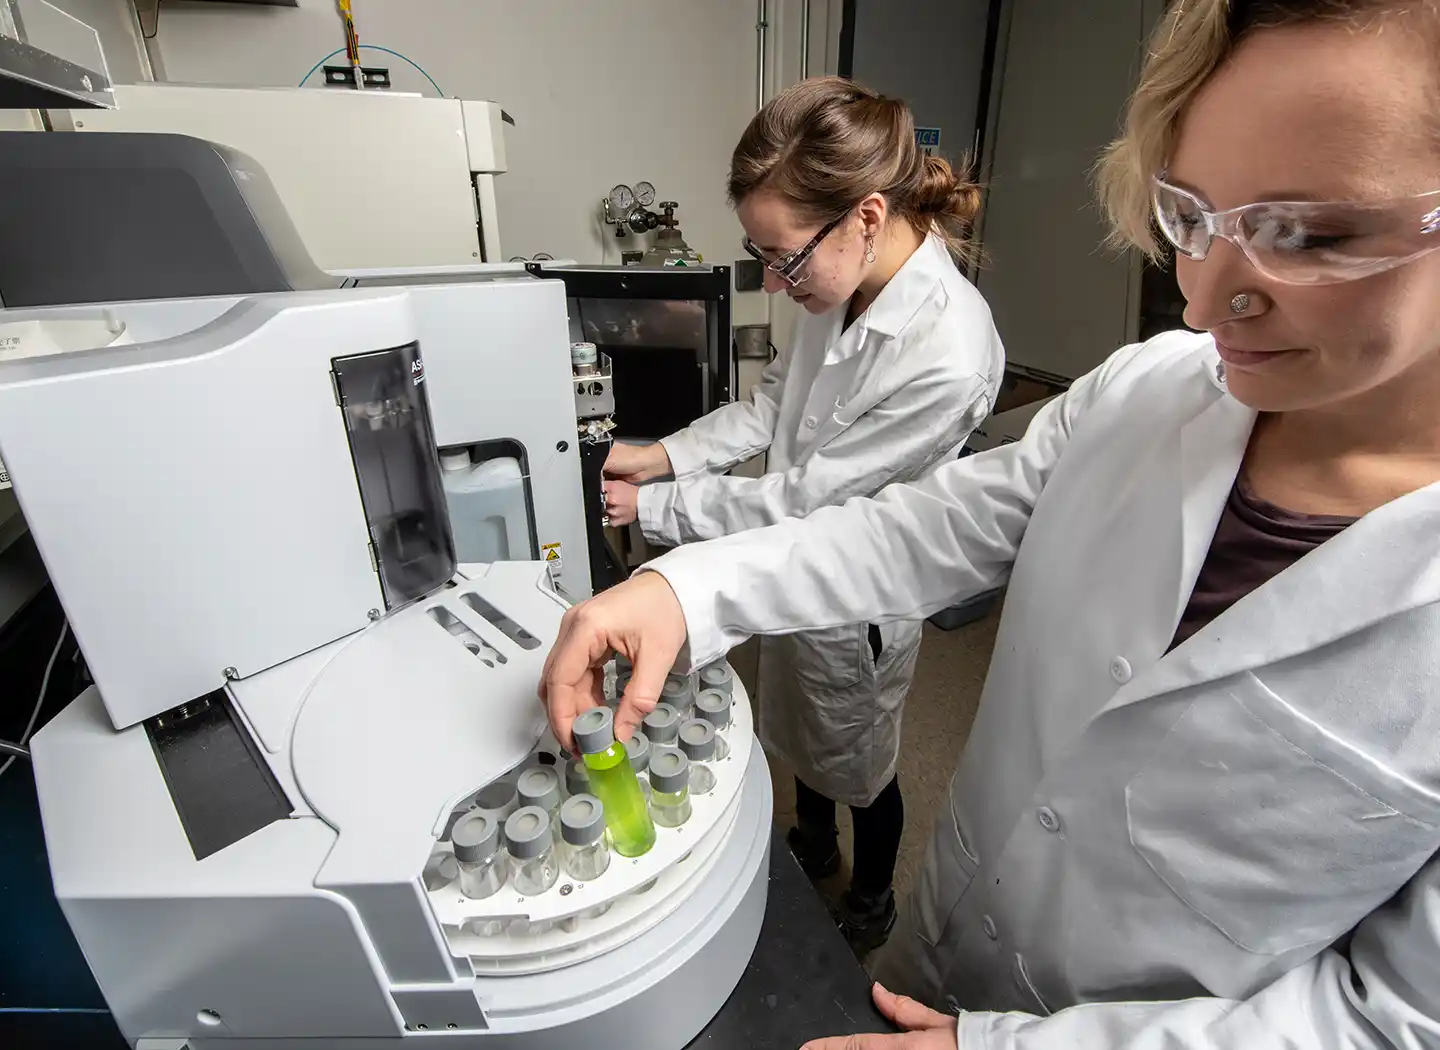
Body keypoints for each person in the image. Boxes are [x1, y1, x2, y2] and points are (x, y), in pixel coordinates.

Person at [541, 1, 1440, 1047]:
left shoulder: (953, 345)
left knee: (856, 766)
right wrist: (686, 586)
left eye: (1309, 234)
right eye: (1190, 219)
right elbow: (921, 529)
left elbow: (1392, 1016)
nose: (1202, 303)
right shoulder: (1147, 393)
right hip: (946, 938)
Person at [600, 76, 1005, 952]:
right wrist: (662, 453)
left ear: (865, 214)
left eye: (784, 258)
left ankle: (870, 897)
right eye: (762, 257)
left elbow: (808, 499)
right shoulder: (837, 281)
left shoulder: (949, 352)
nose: (777, 284)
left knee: (862, 759)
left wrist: (658, 507)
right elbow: (771, 406)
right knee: (800, 733)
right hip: (784, 558)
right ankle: (812, 839)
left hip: (858, 593)